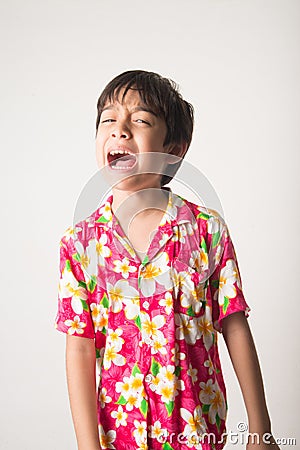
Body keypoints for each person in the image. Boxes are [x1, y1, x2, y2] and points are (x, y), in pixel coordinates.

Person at [54, 70, 280, 450]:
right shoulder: (79, 244)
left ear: (174, 148)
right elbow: (79, 346)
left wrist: (260, 429)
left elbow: (235, 325)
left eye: (139, 120)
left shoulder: (206, 230)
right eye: (108, 119)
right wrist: (87, 446)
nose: (119, 129)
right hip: (119, 438)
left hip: (197, 431)